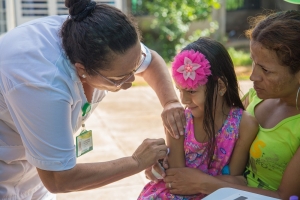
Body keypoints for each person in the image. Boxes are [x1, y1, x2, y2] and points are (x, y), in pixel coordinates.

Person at [0, 0, 186, 199]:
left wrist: (171, 103)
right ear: (82, 70)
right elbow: (59, 179)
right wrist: (136, 162)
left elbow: (152, 63)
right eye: (119, 78)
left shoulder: (94, 36)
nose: (131, 80)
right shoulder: (43, 84)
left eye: (135, 66)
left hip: (33, 171)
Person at [147, 10, 300, 200]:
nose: (252, 76)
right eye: (253, 62)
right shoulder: (256, 97)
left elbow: (285, 196)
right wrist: (166, 159)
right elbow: (222, 128)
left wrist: (203, 182)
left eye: (266, 70)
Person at [138, 37, 258, 199]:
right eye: (180, 90)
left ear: (221, 86)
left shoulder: (244, 124)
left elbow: (236, 180)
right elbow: (176, 180)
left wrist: (207, 183)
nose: (184, 100)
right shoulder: (179, 120)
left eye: (192, 91)